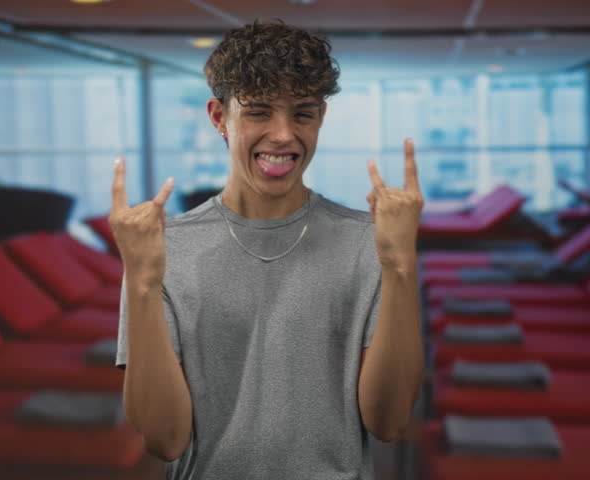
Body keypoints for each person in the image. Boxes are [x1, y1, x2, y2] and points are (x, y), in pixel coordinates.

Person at [112, 21, 424, 479]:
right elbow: (164, 440)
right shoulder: (163, 250)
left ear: (320, 118)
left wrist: (400, 267)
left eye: (302, 113)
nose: (282, 135)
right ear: (220, 117)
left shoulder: (367, 243)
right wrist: (141, 283)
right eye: (258, 112)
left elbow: (389, 422)